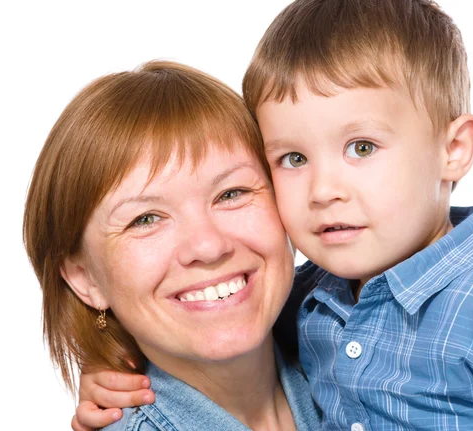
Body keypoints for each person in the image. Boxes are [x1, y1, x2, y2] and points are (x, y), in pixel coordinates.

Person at [74, 0, 473, 430]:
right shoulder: (310, 301)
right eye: (293, 159)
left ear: (453, 149)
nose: (323, 190)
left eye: (362, 147)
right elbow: (208, 329)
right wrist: (115, 366)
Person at [23, 60, 321, 431]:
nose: (208, 246)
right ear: (86, 281)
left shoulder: (348, 343)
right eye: (145, 219)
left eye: (231, 193)